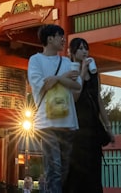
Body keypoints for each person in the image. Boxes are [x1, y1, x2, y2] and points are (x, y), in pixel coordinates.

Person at [27, 24, 81, 193]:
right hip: (46, 122)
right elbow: (41, 85)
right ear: (49, 38)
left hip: (68, 121)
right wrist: (63, 78)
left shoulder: (67, 62)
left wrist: (57, 78)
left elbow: (77, 86)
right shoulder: (36, 60)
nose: (64, 40)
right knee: (54, 168)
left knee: (65, 169)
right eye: (60, 36)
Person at [67, 37, 114, 193]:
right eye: (80, 48)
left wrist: (108, 126)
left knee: (94, 168)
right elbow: (74, 97)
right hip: (78, 126)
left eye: (86, 48)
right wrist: (82, 72)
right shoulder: (71, 71)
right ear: (72, 52)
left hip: (93, 126)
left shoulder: (94, 73)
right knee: (78, 169)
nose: (84, 51)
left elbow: (98, 98)